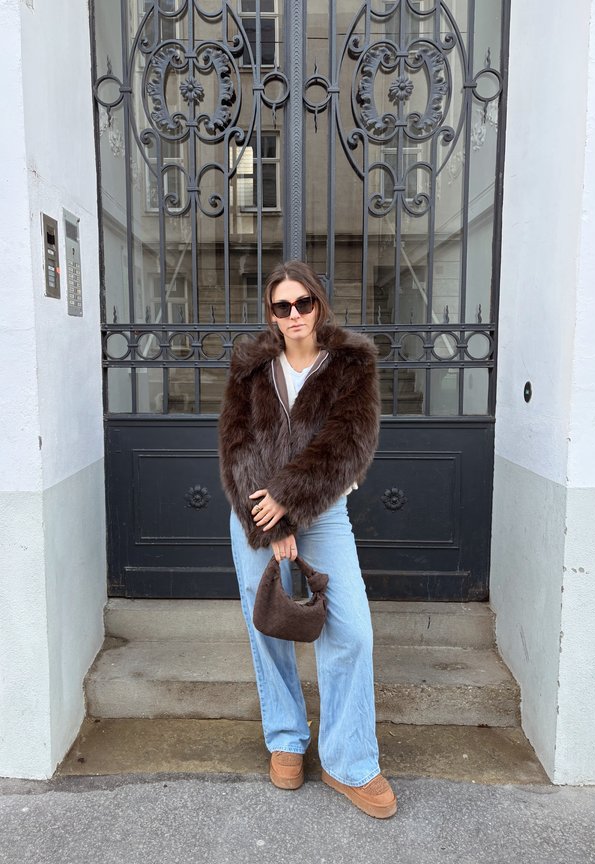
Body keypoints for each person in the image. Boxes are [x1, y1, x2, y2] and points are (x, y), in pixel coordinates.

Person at [218, 260, 397, 819]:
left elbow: (351, 444)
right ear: (270, 314)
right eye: (281, 306)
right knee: (267, 620)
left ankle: (348, 761)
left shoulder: (351, 364)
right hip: (254, 514)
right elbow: (236, 446)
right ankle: (286, 739)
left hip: (322, 514)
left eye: (303, 303)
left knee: (351, 633)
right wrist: (267, 523)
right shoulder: (251, 368)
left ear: (319, 304)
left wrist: (290, 503)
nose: (293, 315)